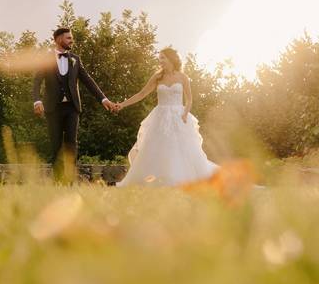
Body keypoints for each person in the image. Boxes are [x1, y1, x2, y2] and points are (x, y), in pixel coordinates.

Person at [112, 47, 219, 186]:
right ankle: (155, 178)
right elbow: (141, 94)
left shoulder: (182, 77)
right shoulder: (157, 77)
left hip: (179, 117)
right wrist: (122, 104)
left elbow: (189, 100)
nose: (160, 61)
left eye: (163, 58)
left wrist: (185, 113)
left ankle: (181, 178)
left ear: (171, 59)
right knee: (156, 148)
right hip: (160, 117)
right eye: (159, 58)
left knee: (181, 149)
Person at [33, 27, 115, 181]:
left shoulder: (75, 59)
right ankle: (58, 181)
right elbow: (37, 81)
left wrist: (104, 99)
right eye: (68, 38)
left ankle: (70, 180)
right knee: (56, 144)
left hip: (72, 108)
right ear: (58, 40)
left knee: (71, 143)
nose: (72, 40)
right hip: (53, 108)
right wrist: (37, 100)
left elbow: (88, 81)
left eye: (71, 38)